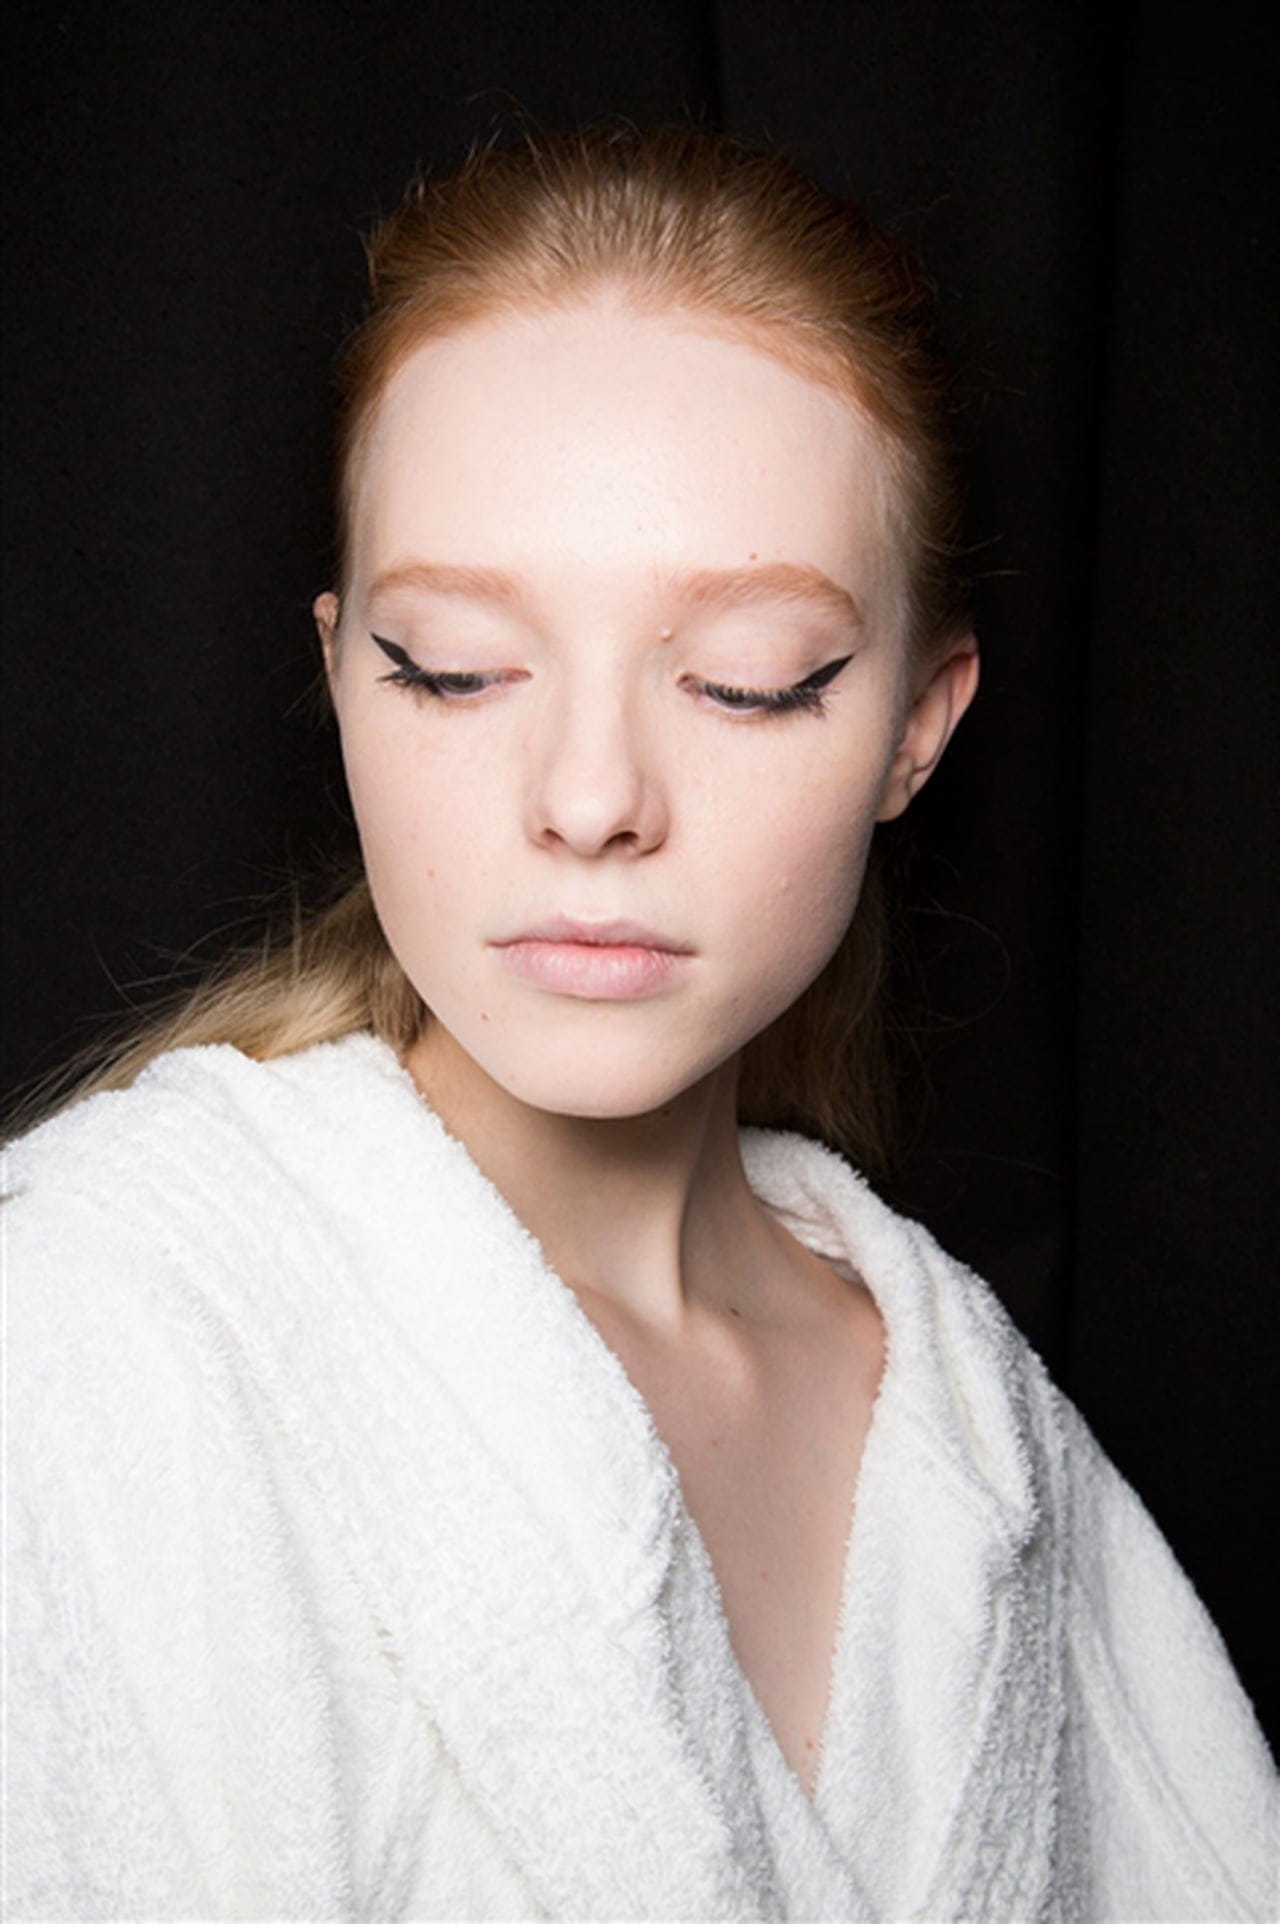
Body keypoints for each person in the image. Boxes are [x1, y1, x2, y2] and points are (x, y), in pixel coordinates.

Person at [5, 124, 1274, 1923]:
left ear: (919, 725)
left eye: (748, 682)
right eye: (456, 667)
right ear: (341, 673)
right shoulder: (97, 1336)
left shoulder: (982, 1436)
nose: (591, 798)